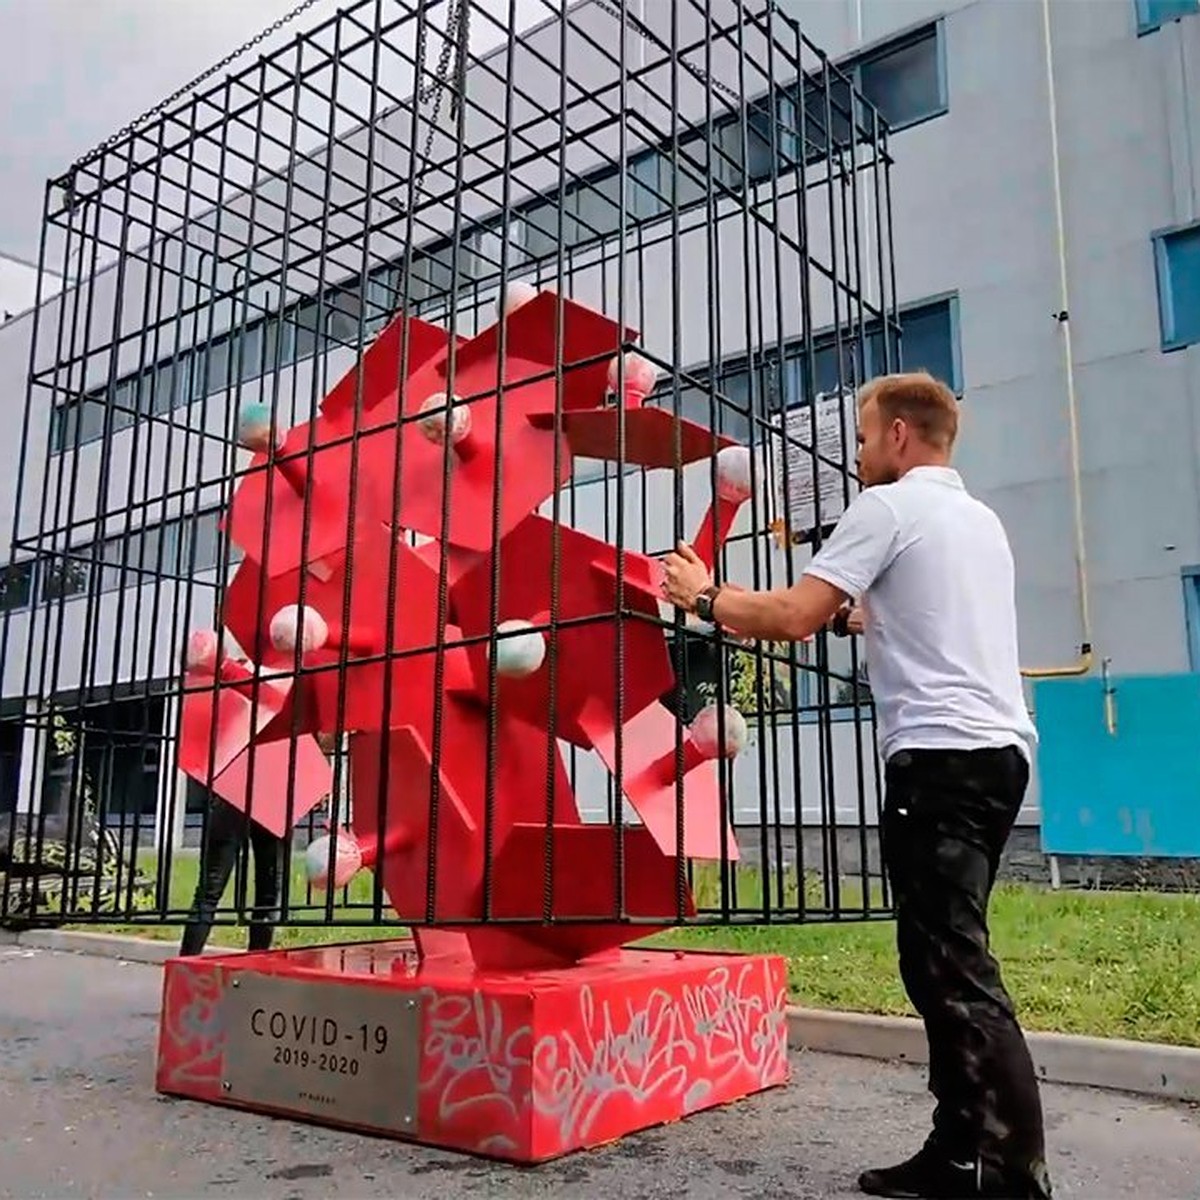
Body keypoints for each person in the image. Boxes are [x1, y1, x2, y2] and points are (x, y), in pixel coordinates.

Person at [662, 371, 1051, 1200]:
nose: (863, 453)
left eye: (868, 437)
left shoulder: (889, 507)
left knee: (952, 963)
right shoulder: (975, 521)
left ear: (901, 437)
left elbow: (793, 615)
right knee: (935, 953)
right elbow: (876, 615)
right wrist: (841, 614)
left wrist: (704, 597)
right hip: (996, 755)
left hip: (941, 759)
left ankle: (1009, 1170)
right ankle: (960, 1150)